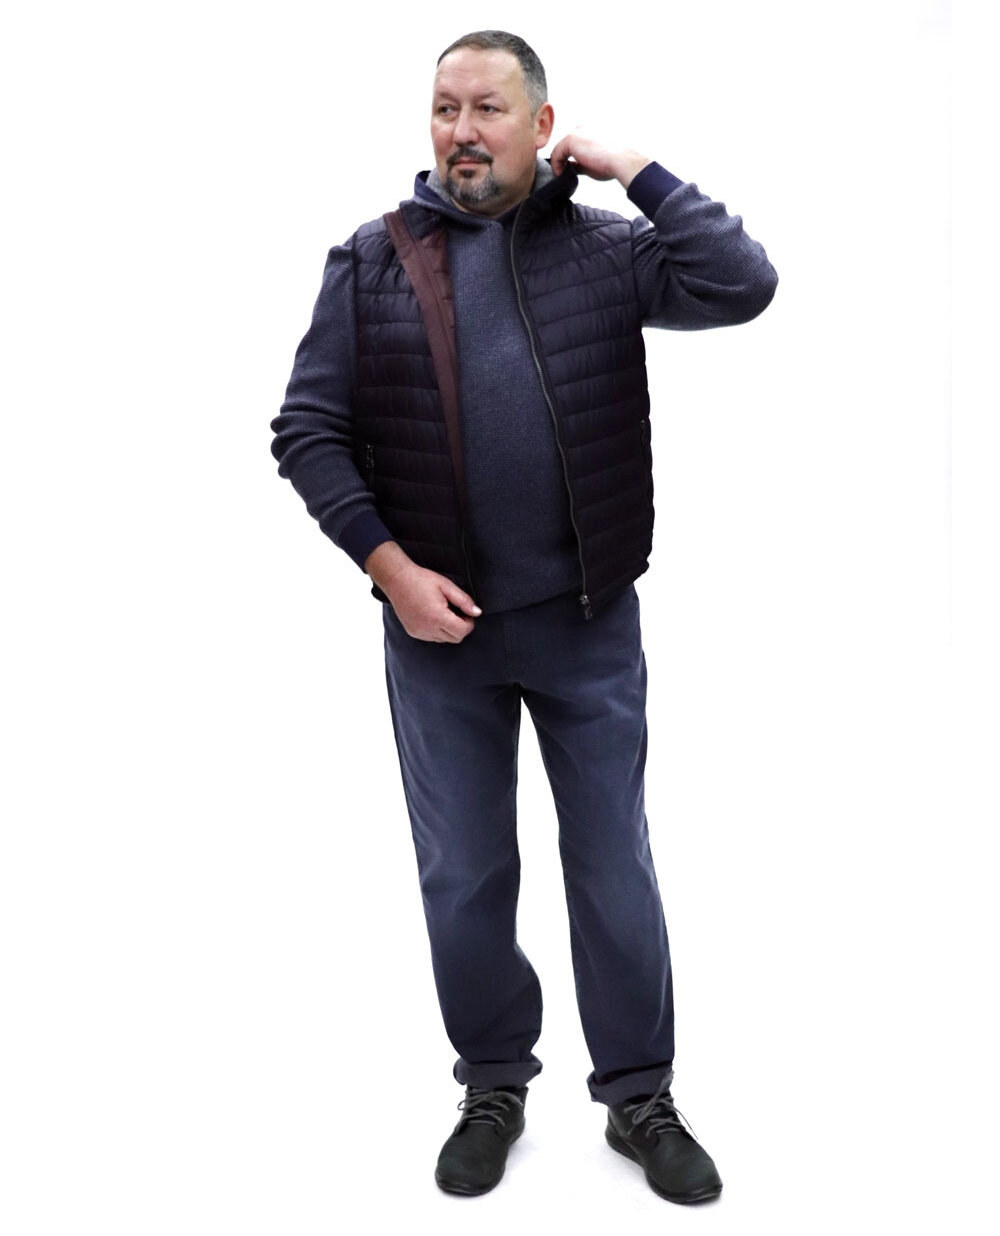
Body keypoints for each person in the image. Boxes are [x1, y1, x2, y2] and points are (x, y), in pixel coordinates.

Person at [271, 29, 777, 1203]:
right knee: (463, 874)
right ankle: (493, 1083)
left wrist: (635, 168)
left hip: (586, 626)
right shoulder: (370, 262)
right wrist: (391, 570)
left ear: (541, 126)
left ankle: (638, 1095)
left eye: (487, 108)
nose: (461, 130)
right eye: (444, 107)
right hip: (439, 641)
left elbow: (742, 283)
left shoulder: (608, 251)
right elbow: (308, 431)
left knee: (612, 865)